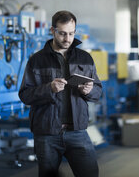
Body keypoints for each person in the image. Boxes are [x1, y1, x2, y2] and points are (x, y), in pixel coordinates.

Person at [19, 10, 102, 177]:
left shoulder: (85, 58)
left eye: (71, 33)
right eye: (63, 33)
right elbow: (25, 95)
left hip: (77, 132)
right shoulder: (37, 60)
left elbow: (98, 91)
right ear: (52, 31)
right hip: (47, 134)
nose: (67, 39)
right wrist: (49, 88)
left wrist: (89, 90)